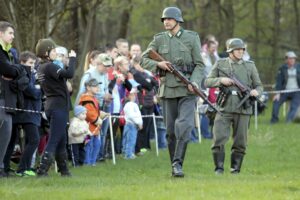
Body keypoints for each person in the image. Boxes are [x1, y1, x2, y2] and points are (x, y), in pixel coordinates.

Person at [142, 7, 205, 177]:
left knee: (184, 126)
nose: (166, 22)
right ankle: (174, 166)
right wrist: (158, 65)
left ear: (178, 20)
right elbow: (143, 59)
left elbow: (200, 64)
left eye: (169, 19)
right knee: (170, 131)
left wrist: (195, 82)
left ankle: (178, 163)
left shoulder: (192, 38)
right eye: (164, 19)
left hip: (187, 90)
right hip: (168, 90)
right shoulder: (159, 39)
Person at [205, 38, 263, 174]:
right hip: (224, 107)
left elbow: (259, 86)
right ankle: (219, 168)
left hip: (243, 108)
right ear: (230, 51)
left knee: (241, 141)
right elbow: (207, 81)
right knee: (218, 139)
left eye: (242, 49)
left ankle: (235, 169)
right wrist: (221, 80)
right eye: (238, 49)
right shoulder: (220, 64)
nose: (241, 52)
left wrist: (256, 92)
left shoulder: (250, 66)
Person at [35, 38, 76, 177]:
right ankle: (42, 171)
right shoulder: (50, 66)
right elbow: (69, 74)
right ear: (46, 52)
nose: (55, 53)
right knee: (54, 139)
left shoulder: (41, 67)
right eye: (52, 50)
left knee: (62, 139)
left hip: (52, 105)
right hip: (58, 106)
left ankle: (64, 171)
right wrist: (73, 59)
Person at [7, 51, 41, 177]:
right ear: (22, 62)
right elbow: (32, 91)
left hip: (31, 112)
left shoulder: (33, 74)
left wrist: (39, 89)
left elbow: (39, 89)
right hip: (26, 112)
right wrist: (38, 90)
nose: (33, 65)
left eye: (34, 63)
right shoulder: (22, 74)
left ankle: (21, 168)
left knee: (27, 140)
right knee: (33, 140)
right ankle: (21, 168)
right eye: (30, 63)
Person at [0, 21, 24, 177]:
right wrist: (16, 70)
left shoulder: (10, 53)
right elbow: (6, 69)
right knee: (5, 131)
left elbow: (18, 72)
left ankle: (1, 167)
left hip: (8, 98)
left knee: (7, 134)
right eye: (10, 33)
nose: (13, 36)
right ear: (0, 34)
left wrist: (16, 70)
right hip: (1, 98)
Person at [78, 78, 109, 166]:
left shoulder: (93, 98)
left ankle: (92, 163)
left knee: (97, 145)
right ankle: (87, 163)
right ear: (88, 87)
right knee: (88, 145)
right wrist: (98, 120)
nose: (97, 88)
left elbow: (95, 111)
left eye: (97, 86)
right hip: (87, 130)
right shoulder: (86, 99)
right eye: (95, 86)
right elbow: (89, 114)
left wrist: (102, 114)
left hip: (95, 129)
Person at [270, 51, 300, 123]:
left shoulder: (299, 67)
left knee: (294, 106)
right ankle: (274, 120)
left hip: (297, 91)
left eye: (293, 58)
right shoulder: (282, 68)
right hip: (284, 91)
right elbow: (279, 82)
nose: (292, 60)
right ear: (286, 60)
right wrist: (278, 93)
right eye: (290, 58)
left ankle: (288, 121)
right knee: (276, 102)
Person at [122, 87, 143, 159]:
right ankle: (128, 154)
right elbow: (132, 115)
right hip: (132, 124)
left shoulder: (132, 104)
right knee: (131, 140)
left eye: (135, 94)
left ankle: (127, 152)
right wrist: (139, 123)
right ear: (129, 96)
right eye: (133, 94)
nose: (135, 96)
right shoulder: (130, 105)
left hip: (129, 124)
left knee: (127, 139)